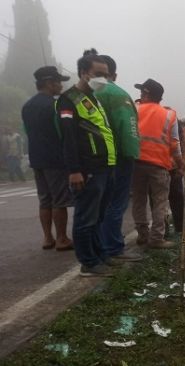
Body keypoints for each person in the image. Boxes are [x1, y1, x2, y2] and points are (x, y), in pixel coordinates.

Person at [56, 51, 116, 277]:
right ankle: (88, 262)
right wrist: (74, 170)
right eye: (98, 74)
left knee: (99, 216)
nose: (104, 79)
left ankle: (100, 254)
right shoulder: (69, 100)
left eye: (107, 75)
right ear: (83, 73)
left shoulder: (93, 99)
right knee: (86, 216)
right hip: (88, 168)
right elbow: (68, 138)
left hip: (105, 165)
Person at [94, 54, 142, 262]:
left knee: (97, 204)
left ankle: (97, 248)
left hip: (90, 158)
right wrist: (132, 154)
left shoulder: (81, 94)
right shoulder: (117, 94)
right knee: (116, 202)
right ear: (113, 74)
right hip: (118, 157)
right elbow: (128, 127)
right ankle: (113, 247)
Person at [22, 66, 73, 251]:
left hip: (36, 159)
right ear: (50, 83)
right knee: (59, 201)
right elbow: (64, 132)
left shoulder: (27, 106)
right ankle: (62, 239)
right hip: (55, 159)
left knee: (44, 200)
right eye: (58, 82)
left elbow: (27, 131)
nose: (61, 85)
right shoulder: (56, 104)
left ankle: (47, 238)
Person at [132, 78, 184, 249]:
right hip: (159, 164)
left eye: (141, 92)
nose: (140, 95)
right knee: (160, 201)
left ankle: (142, 234)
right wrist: (180, 164)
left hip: (136, 161)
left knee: (139, 199)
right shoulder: (169, 115)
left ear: (147, 94)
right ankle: (156, 238)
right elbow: (174, 144)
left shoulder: (135, 109)